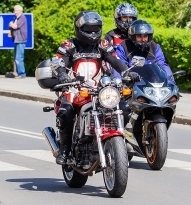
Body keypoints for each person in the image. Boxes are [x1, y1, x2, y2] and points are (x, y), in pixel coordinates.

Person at [53, 11, 134, 165]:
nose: (92, 33)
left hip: (98, 90)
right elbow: (59, 63)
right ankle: (65, 150)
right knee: (66, 111)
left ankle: (116, 140)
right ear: (79, 28)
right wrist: (62, 75)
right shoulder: (69, 45)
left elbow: (115, 61)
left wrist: (127, 72)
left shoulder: (103, 45)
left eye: (95, 29)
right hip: (74, 88)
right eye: (88, 29)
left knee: (124, 107)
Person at [8, 5, 27, 78]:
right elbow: (12, 26)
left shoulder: (22, 17)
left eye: (15, 10)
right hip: (17, 40)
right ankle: (20, 73)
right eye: (14, 10)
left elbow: (15, 26)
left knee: (19, 58)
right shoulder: (16, 18)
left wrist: (11, 24)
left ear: (19, 11)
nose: (14, 12)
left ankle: (22, 74)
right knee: (16, 58)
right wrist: (11, 26)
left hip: (20, 40)